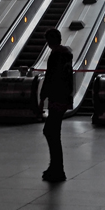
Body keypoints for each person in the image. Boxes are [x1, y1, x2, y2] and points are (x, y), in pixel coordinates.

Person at [41, 28, 74, 182]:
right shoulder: (66, 54)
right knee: (53, 132)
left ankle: (57, 168)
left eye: (48, 40)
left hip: (56, 98)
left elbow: (50, 77)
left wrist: (43, 96)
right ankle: (55, 166)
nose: (47, 43)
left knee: (51, 132)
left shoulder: (56, 55)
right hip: (63, 97)